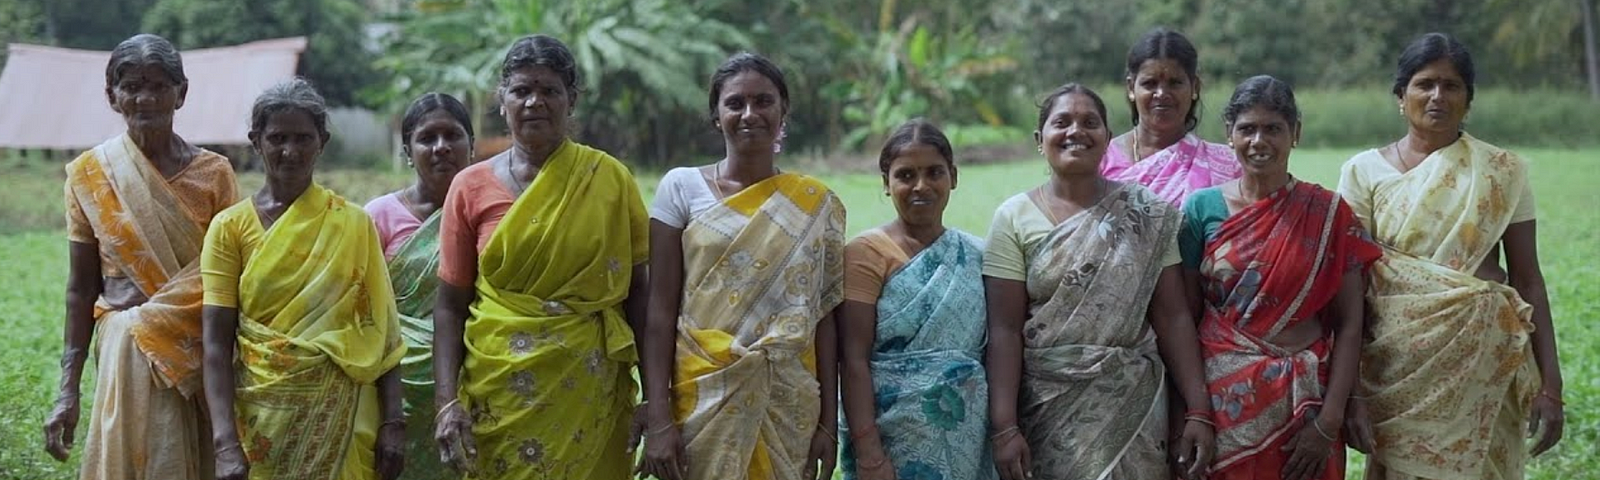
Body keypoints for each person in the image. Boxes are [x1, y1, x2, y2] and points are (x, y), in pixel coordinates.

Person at [1337, 32, 1564, 480]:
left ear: (1468, 99)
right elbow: (1353, 285)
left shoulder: (1500, 172)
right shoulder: (1363, 171)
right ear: (1401, 96)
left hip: (1483, 361)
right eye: (1425, 84)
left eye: (1452, 85)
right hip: (1397, 367)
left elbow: (1528, 279)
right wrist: (1352, 393)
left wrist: (1551, 387)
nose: (1438, 96)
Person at [429, 35, 651, 480]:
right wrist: (447, 403)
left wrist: (656, 399)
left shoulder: (610, 179)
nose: (535, 102)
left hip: (589, 389)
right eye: (521, 91)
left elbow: (640, 295)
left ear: (571, 100)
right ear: (502, 101)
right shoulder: (469, 186)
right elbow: (450, 305)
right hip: (497, 390)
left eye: (549, 90)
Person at [983, 83, 1214, 480]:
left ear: (1108, 138)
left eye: (1091, 122)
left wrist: (1197, 409)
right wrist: (1004, 426)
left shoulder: (1147, 215)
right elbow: (1004, 331)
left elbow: (1174, 318)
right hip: (1046, 407)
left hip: (1134, 407)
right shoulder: (1013, 218)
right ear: (1041, 140)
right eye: (1062, 122)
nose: (1076, 131)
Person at [637, 52, 845, 480]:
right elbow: (659, 313)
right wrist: (658, 416)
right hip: (703, 392)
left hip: (787, 399)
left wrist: (828, 421)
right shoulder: (681, 188)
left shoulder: (813, 204)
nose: (749, 114)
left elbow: (823, 317)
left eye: (763, 101)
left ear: (783, 110)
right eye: (735, 103)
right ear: (717, 115)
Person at [46, 33, 238, 480]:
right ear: (112, 97)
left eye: (158, 86)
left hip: (201, 357)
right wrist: (67, 391)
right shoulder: (89, 176)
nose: (145, 98)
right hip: (126, 354)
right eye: (131, 86)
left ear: (181, 93)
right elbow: (80, 288)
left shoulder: (214, 174)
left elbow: (232, 276)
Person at [200, 78, 406, 480]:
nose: (289, 151)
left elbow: (382, 332)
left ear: (322, 142)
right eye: (277, 138)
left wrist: (393, 422)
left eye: (302, 138)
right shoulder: (229, 228)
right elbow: (214, 344)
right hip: (261, 420)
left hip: (345, 415)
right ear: (255, 141)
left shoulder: (353, 224)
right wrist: (224, 442)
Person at [1179, 76, 1380, 480]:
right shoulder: (1201, 210)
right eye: (1247, 129)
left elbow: (1350, 323)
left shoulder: (1328, 215)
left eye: (1273, 128)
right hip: (1223, 405)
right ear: (1229, 135)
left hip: (1306, 405)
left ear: (1295, 134)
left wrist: (1330, 417)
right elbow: (1184, 318)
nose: (1259, 141)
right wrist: (1194, 411)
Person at [837, 119, 993, 480]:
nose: (921, 186)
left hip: (966, 436)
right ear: (886, 184)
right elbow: (853, 359)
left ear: (953, 176)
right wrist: (870, 453)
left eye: (934, 172)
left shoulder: (976, 254)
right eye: (906, 175)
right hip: (890, 437)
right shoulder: (865, 254)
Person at [363, 92, 474, 479]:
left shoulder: (493, 211)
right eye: (428, 138)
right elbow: (365, 311)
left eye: (452, 135)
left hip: (473, 382)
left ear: (470, 145)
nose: (441, 147)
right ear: (408, 150)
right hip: (396, 389)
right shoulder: (378, 216)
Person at [1101, 28, 1241, 206]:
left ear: (1195, 87)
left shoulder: (1227, 165)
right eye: (1150, 83)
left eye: (1175, 83)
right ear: (1131, 88)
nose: (1161, 93)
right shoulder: (1101, 159)